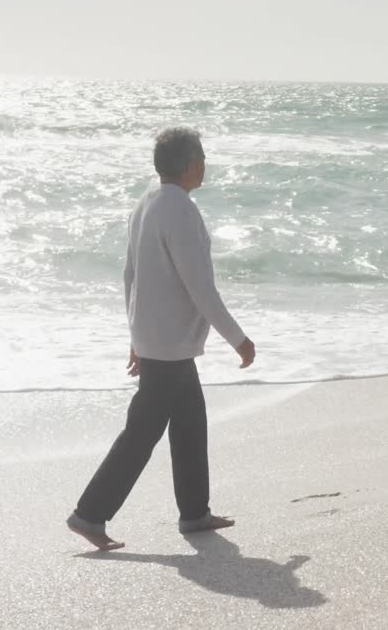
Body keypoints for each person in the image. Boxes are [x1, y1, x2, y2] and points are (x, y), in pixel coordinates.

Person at [67, 127, 256, 550]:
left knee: (190, 423)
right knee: (142, 432)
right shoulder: (181, 209)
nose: (205, 165)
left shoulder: (146, 203)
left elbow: (129, 276)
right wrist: (238, 339)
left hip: (159, 340)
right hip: (169, 345)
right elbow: (200, 287)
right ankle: (89, 514)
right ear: (191, 165)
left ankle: (194, 513)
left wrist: (136, 335)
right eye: (202, 157)